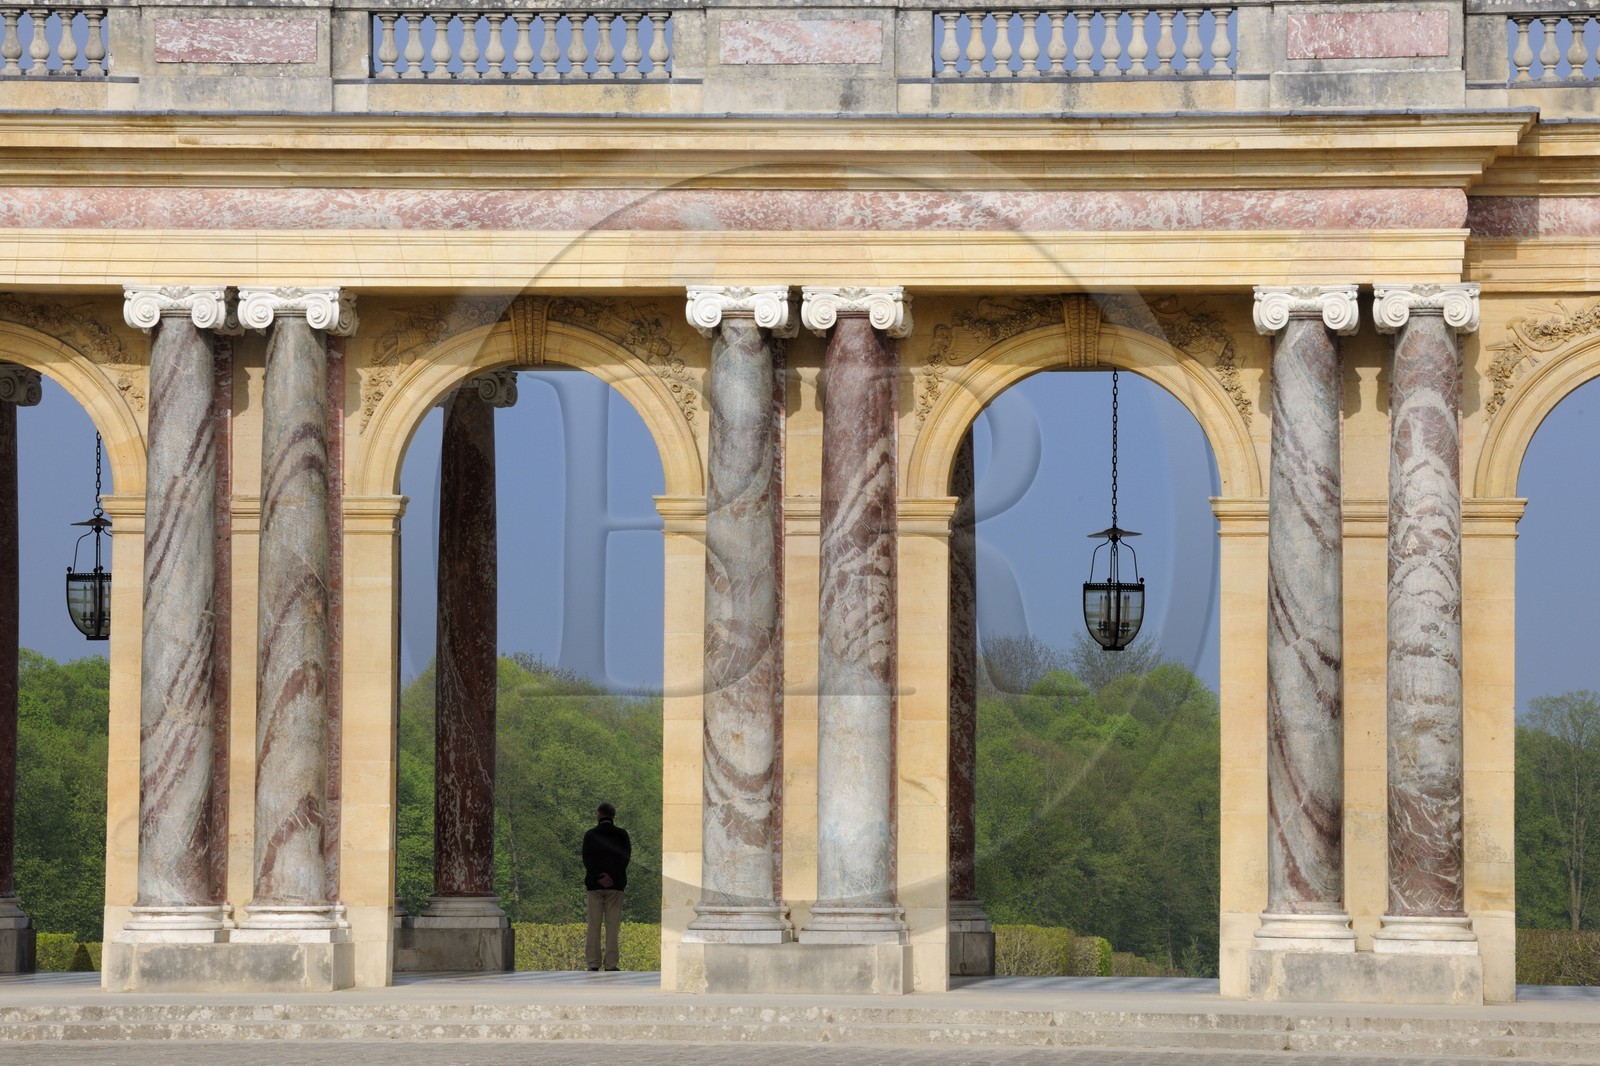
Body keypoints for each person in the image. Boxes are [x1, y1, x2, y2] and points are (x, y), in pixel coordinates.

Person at [582, 801, 631, 972]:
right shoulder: (622, 835)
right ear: (613, 815)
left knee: (593, 925)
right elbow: (624, 859)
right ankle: (611, 964)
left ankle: (593, 962)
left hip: (595, 886)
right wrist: (611, 877)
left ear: (599, 814)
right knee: (612, 926)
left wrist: (599, 877)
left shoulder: (590, 835)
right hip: (615, 886)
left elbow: (587, 860)